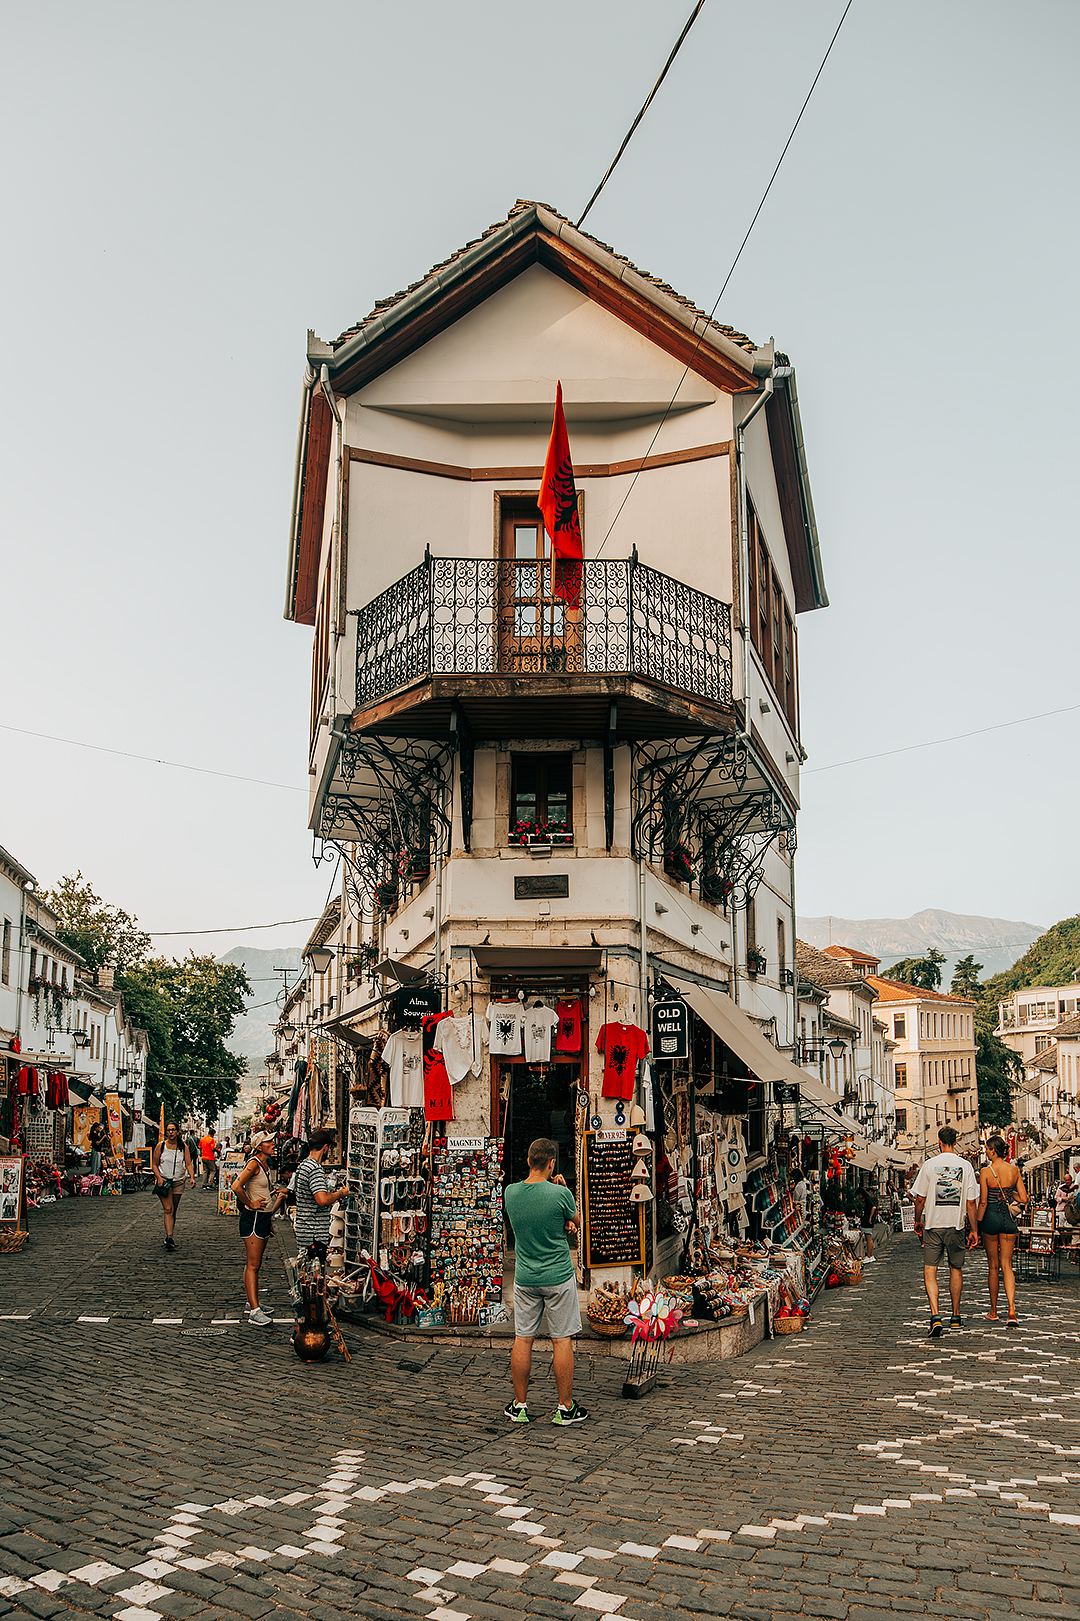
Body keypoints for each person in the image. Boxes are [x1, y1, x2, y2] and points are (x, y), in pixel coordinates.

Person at [502, 1137, 588, 1425]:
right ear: (552, 1164)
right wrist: (564, 1191)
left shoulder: (510, 1193)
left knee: (522, 1339)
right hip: (558, 1276)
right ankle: (565, 1407)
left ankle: (520, 1405)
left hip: (526, 1277)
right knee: (561, 1339)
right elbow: (578, 1222)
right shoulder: (559, 1194)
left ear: (528, 1161)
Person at [911, 1126, 980, 1336]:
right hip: (956, 1225)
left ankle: (935, 1316)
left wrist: (917, 1220)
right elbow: (970, 1203)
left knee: (930, 1271)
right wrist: (974, 1230)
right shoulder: (966, 1166)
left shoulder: (930, 1165)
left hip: (933, 1225)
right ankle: (956, 1316)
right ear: (955, 1141)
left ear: (939, 1141)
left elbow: (920, 1198)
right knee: (955, 1269)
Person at [232, 1131, 288, 1326]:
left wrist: (268, 1218)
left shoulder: (265, 1164)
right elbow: (236, 1186)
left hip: (262, 1218)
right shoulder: (254, 1163)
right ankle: (254, 1311)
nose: (273, 1144)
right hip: (254, 1217)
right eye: (268, 1142)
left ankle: (252, 1302)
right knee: (253, 1264)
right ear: (259, 1146)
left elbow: (262, 1190)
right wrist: (251, 1203)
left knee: (255, 1264)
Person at [978, 1135, 1028, 1327]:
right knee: (1007, 1265)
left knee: (993, 1266)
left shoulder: (985, 1172)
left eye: (987, 1149)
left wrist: (977, 1225)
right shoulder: (1014, 1170)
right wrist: (1008, 1194)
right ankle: (1012, 1310)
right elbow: (1024, 1198)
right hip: (1008, 1220)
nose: (986, 1151)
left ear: (993, 1150)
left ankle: (993, 1311)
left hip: (991, 1218)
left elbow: (983, 1201)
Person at [293, 1128, 349, 1259]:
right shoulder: (315, 1169)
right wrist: (340, 1193)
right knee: (315, 1273)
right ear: (325, 1147)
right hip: (314, 1233)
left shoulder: (303, 1165)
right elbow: (322, 1200)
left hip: (304, 1229)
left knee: (307, 1271)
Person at [151, 1121, 196, 1251]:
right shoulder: (161, 1146)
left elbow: (188, 1163)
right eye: (169, 1130)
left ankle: (169, 1234)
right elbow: (154, 1164)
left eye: (173, 1129)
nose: (171, 1132)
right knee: (168, 1209)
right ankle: (170, 1237)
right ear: (166, 1132)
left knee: (173, 1210)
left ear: (177, 1131)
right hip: (164, 1181)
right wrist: (159, 1177)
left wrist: (192, 1177)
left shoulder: (183, 1147)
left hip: (179, 1181)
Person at [860, 1183, 879, 1263]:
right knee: (869, 1238)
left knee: (869, 1239)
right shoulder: (867, 1198)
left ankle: (869, 1255)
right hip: (867, 1221)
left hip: (868, 1221)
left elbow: (873, 1207)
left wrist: (870, 1217)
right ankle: (870, 1255)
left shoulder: (867, 1199)